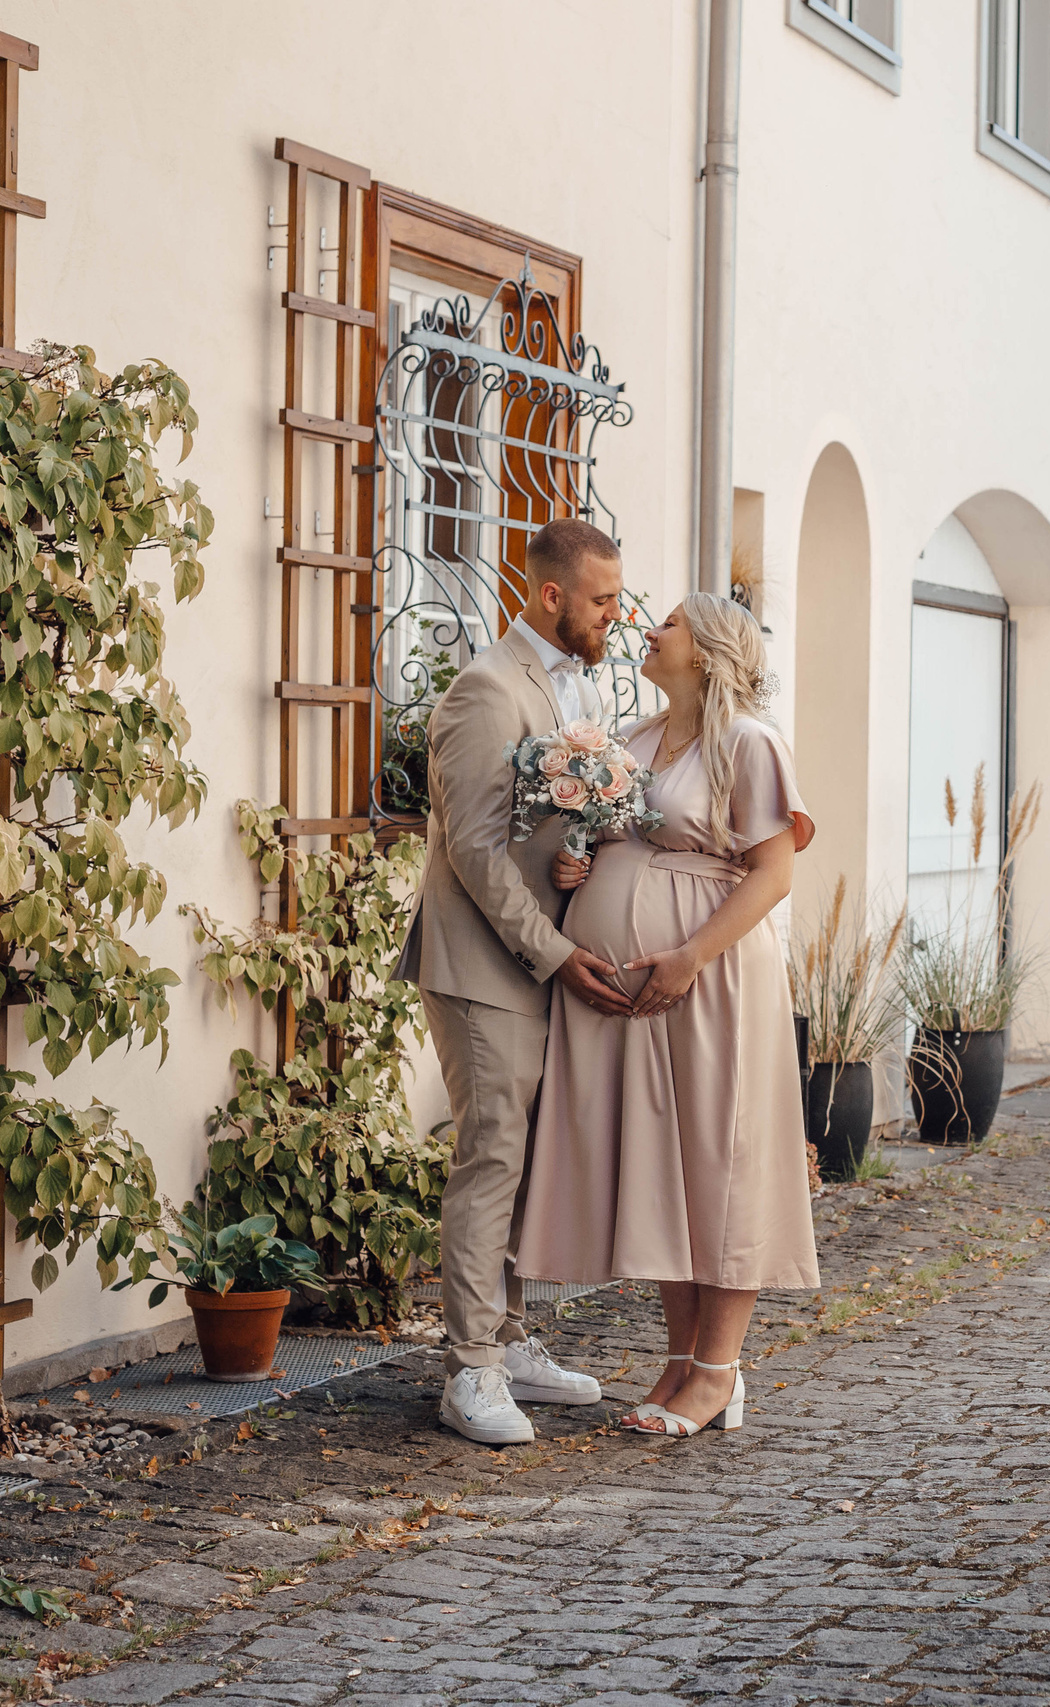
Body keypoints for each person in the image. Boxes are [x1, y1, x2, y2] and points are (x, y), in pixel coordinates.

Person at [515, 592, 819, 1439]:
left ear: (710, 651)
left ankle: (718, 1370)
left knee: (722, 1160)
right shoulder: (637, 738)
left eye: (672, 624)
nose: (650, 630)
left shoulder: (749, 742)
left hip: (711, 978)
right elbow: (610, 840)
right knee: (665, 1168)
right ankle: (683, 1360)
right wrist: (579, 864)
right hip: (632, 996)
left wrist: (690, 955)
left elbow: (774, 872)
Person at [397, 517, 634, 1445]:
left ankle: (508, 1338)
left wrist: (578, 857)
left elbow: (540, 830)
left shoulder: (576, 686)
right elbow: (474, 850)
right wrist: (558, 953)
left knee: (527, 1159)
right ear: (549, 595)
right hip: (481, 963)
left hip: (536, 954)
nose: (615, 614)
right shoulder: (486, 691)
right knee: (492, 1153)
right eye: (602, 599)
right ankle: (470, 1370)